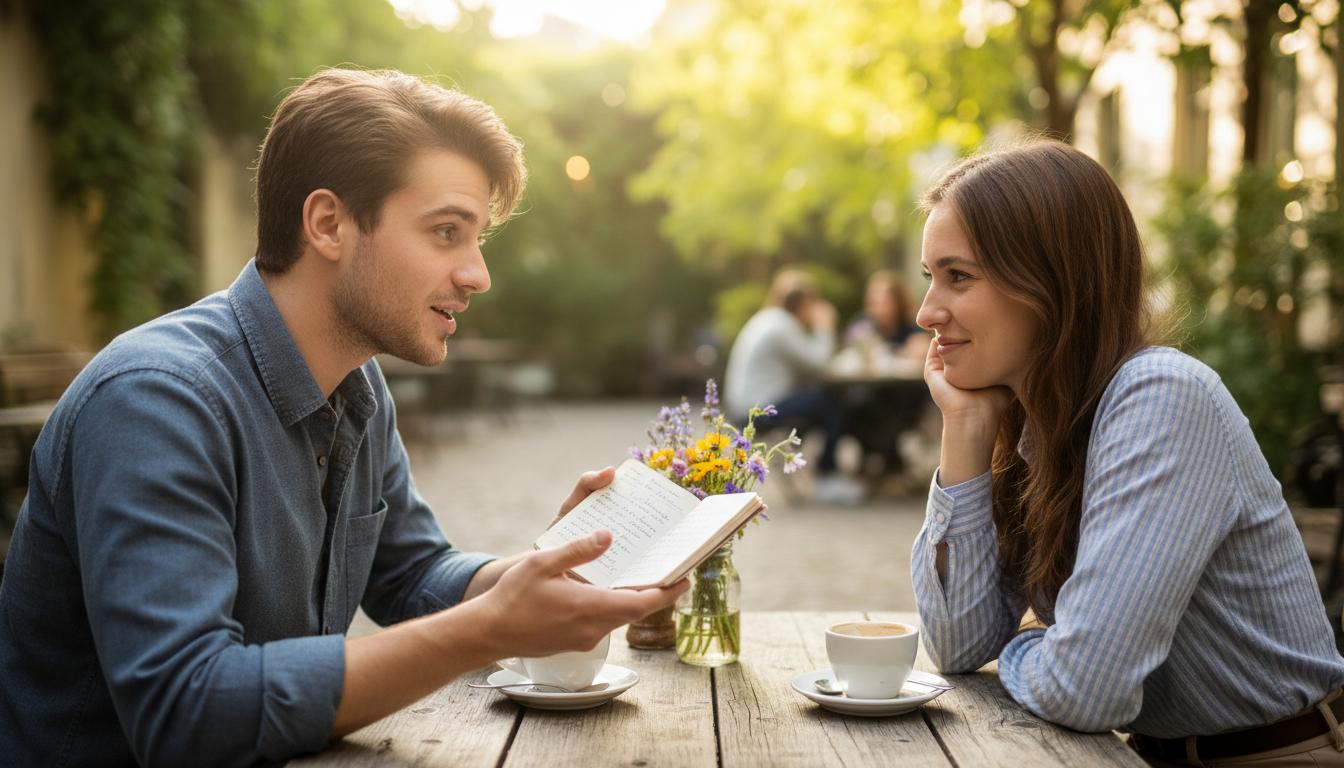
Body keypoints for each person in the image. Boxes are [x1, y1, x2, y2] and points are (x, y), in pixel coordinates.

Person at [0, 68, 685, 766]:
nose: (478, 274)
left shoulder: (358, 387)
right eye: (447, 231)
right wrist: (486, 629)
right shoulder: (157, 400)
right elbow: (187, 712)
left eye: (476, 239)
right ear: (328, 224)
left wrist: (541, 574)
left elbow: (413, 575)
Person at [910, 139, 1344, 766]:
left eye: (959, 276)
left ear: (1051, 282)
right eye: (931, 278)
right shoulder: (1040, 425)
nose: (928, 311)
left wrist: (1027, 647)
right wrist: (966, 430)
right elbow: (957, 643)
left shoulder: (1161, 399)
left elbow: (1086, 691)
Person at [723, 268, 866, 505]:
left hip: (746, 406)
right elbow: (819, 363)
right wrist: (824, 326)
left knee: (822, 400)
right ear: (805, 304)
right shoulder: (781, 327)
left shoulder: (768, 320)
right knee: (830, 400)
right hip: (755, 412)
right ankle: (827, 477)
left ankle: (826, 470)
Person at [839, 270, 932, 480]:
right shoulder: (863, 324)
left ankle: (887, 459)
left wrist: (919, 349)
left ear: (897, 302)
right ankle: (889, 459)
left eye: (884, 301)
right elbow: (851, 347)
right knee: (852, 405)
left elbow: (923, 350)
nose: (877, 307)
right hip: (872, 392)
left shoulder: (910, 326)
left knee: (874, 406)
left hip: (904, 395)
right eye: (873, 301)